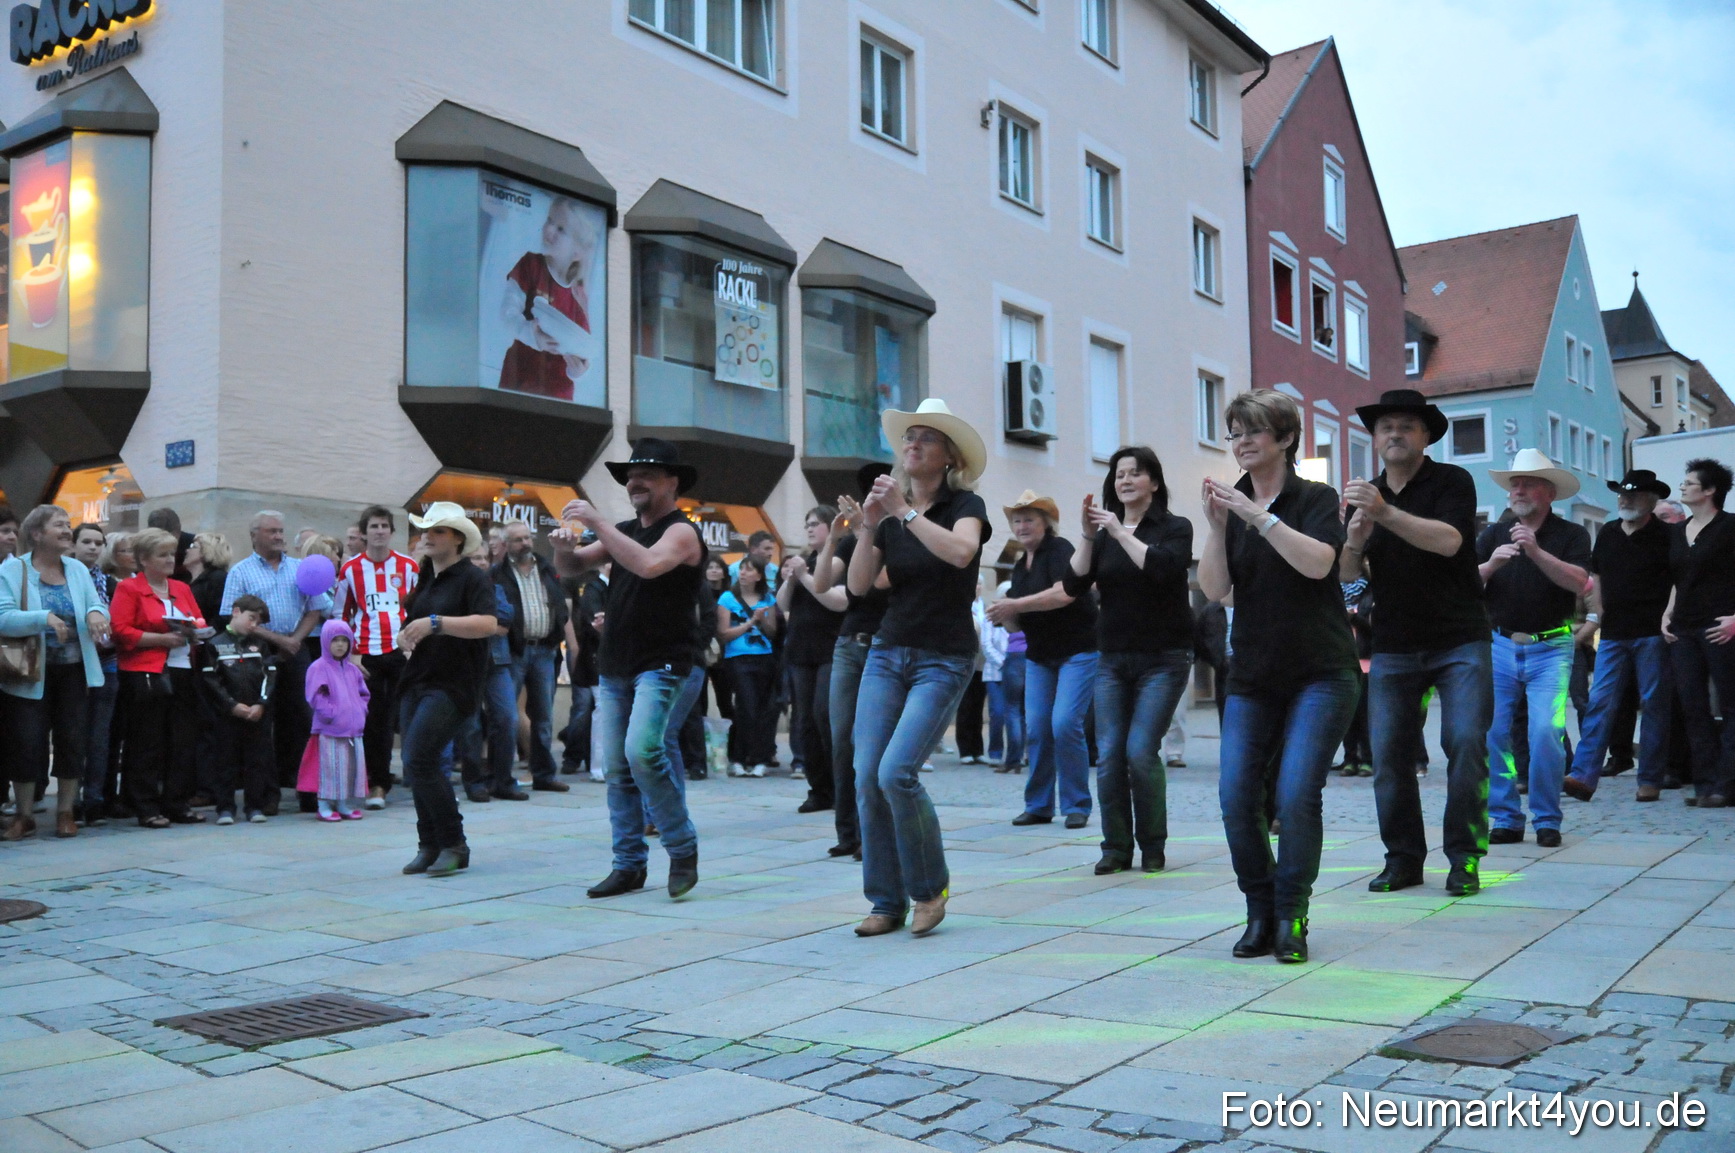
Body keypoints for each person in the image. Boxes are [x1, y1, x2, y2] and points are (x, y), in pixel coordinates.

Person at [1201, 389, 1358, 964]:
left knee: (1295, 794)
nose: (1242, 442)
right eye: (1234, 431)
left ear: (1285, 439)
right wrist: (1217, 527)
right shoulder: (1231, 504)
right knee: (1236, 795)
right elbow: (1216, 591)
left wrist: (1255, 517)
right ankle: (1260, 910)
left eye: (1254, 431)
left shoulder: (1316, 497)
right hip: (1254, 676)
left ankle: (1293, 913)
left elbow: (1320, 563)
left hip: (1321, 673)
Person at [847, 399, 991, 938]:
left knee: (895, 773)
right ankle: (885, 901)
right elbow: (860, 586)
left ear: (948, 456)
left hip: (943, 657)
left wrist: (904, 514)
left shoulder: (965, 505)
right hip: (888, 652)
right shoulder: (889, 518)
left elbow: (960, 554)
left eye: (926, 439)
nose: (913, 445)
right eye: (909, 438)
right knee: (866, 777)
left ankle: (930, 889)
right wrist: (868, 524)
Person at [1341, 390, 1493, 896]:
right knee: (1389, 757)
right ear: (1375, 438)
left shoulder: (1452, 481)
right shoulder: (1367, 496)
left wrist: (1383, 514)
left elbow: (1450, 541)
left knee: (1466, 743)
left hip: (1459, 639)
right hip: (1394, 645)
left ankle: (1464, 858)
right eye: (1386, 427)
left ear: (1427, 435)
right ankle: (1403, 858)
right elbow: (1347, 577)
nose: (1394, 434)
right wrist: (1356, 539)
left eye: (1406, 426)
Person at [555, 438, 705, 900]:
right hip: (616, 662)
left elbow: (648, 565)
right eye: (631, 474)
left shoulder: (682, 532)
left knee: (643, 753)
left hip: (661, 663)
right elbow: (572, 567)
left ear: (672, 483)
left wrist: (596, 520)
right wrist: (562, 544)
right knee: (618, 769)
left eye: (648, 474)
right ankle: (629, 865)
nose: (635, 481)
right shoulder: (622, 529)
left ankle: (682, 849)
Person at [1064, 446, 1194, 874]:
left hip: (1164, 657)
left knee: (1140, 751)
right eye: (1119, 474)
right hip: (1113, 659)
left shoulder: (1175, 527)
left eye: (1135, 474)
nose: (1124, 481)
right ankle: (1115, 848)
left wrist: (1121, 532)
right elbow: (1074, 583)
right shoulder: (1103, 534)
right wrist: (1087, 534)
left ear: (1153, 482)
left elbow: (1163, 569)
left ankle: (1152, 845)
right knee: (1110, 755)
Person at [1477, 450, 1592, 847]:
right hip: (1500, 644)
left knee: (1546, 731)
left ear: (1549, 492)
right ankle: (1505, 817)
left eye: (1527, 483)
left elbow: (1581, 583)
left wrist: (1537, 552)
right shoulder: (1492, 534)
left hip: (1551, 647)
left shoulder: (1571, 535)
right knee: (1493, 732)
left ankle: (1546, 818)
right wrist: (1491, 565)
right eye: (1514, 484)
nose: (1517, 490)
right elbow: (1465, 586)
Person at [395, 502, 499, 875]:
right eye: (426, 530)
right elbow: (417, 622)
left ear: (457, 539)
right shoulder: (424, 575)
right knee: (414, 763)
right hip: (419, 678)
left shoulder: (473, 578)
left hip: (454, 683)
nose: (427, 536)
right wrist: (409, 635)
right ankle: (430, 844)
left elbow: (489, 623)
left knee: (420, 757)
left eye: (437, 531)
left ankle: (454, 843)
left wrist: (435, 623)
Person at [1563, 471, 1675, 803]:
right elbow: (1596, 574)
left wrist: (1670, 617)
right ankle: (1583, 776)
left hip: (1653, 633)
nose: (1624, 500)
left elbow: (1678, 579)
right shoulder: (1609, 532)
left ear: (1651, 500)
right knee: (1600, 702)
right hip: (1613, 634)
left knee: (1653, 705)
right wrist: (1598, 612)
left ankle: (1650, 778)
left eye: (1633, 495)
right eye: (1621, 494)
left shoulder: (1667, 535)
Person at [989, 492, 1099, 830]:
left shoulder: (1060, 549)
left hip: (1077, 651)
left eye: (1029, 520)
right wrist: (1001, 615)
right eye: (1017, 521)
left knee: (1065, 723)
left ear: (1045, 523)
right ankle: (1038, 805)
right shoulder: (1020, 565)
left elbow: (1062, 593)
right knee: (1037, 727)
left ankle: (1076, 804)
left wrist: (1015, 605)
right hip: (1039, 655)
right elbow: (1017, 623)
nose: (1022, 526)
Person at [0, 506, 111, 840]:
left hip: (73, 671)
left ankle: (65, 811)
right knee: (27, 743)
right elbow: (3, 616)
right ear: (37, 533)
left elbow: (96, 603)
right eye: (59, 525)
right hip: (29, 672)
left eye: (68, 525)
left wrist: (94, 613)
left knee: (72, 740)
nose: (67, 530)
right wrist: (43, 616)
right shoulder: (13, 569)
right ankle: (24, 815)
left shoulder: (76, 569)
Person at [221, 511, 332, 814]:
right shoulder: (241, 572)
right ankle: (266, 796)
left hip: (296, 651)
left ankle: (307, 790)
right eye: (272, 531)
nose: (279, 537)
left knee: (303, 720)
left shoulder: (299, 568)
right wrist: (277, 640)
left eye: (282, 531)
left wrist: (294, 639)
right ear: (254, 534)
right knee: (262, 725)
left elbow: (317, 607)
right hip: (257, 652)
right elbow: (231, 616)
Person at [811, 463, 895, 860]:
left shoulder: (899, 534)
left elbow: (873, 583)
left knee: (872, 743)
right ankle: (847, 832)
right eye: (867, 494)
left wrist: (868, 530)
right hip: (849, 645)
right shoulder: (855, 536)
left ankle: (870, 834)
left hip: (885, 646)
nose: (870, 501)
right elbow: (822, 583)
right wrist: (833, 539)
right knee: (841, 738)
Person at [112, 527, 207, 829]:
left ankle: (176, 802)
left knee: (182, 740)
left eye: (171, 554)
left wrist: (196, 630)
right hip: (145, 671)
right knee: (147, 740)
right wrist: (161, 639)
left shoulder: (182, 587)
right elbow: (121, 631)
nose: (170, 560)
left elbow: (199, 619)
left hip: (181, 669)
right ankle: (145, 805)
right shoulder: (129, 588)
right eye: (162, 555)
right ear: (143, 559)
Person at [335, 506, 418, 808]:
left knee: (412, 715)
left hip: (403, 652)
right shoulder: (351, 570)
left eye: (384, 526)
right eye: (374, 526)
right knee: (376, 722)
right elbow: (340, 615)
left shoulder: (409, 567)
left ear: (392, 532)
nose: (380, 531)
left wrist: (415, 645)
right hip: (367, 655)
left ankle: (422, 777)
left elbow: (419, 609)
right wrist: (352, 654)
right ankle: (378, 784)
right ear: (364, 532)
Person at [1664, 458, 1735, 807]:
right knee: (1692, 706)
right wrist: (1667, 612)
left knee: (1730, 704)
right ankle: (1706, 784)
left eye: (1690, 482)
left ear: (1709, 491)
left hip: (1722, 627)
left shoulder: (1731, 527)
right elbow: (1681, 578)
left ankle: (1727, 783)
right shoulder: (1678, 531)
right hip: (1685, 628)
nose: (1683, 486)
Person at [492, 521, 573, 794]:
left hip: (544, 651)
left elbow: (561, 604)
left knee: (543, 718)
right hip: (514, 651)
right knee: (504, 716)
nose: (525, 543)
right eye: (517, 540)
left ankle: (544, 775)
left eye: (527, 538)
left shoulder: (548, 569)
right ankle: (500, 778)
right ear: (506, 545)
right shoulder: (497, 574)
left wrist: (558, 632)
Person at [498, 195, 603, 401]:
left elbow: (583, 350)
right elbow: (506, 313)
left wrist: (578, 372)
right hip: (518, 378)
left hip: (557, 393)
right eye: (549, 220)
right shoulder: (531, 265)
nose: (549, 229)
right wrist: (530, 333)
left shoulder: (578, 295)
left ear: (577, 252)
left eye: (561, 229)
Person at [777, 507, 847, 812]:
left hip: (829, 649)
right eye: (806, 524)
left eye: (815, 524)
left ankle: (838, 785)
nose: (809, 529)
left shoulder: (838, 558)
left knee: (824, 716)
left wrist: (803, 574)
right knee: (803, 721)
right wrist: (791, 579)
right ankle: (818, 789)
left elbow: (830, 596)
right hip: (800, 651)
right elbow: (781, 604)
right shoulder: (806, 562)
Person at [200, 593, 278, 824]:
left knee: (257, 760)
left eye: (258, 622)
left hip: (256, 715)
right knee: (225, 760)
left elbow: (270, 676)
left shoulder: (261, 646)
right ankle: (225, 807)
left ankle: (255, 806)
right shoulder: (215, 644)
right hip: (227, 715)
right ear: (236, 612)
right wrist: (231, 705)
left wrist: (261, 703)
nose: (254, 625)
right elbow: (211, 681)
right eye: (251, 618)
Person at [718, 556, 780, 776]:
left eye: (749, 569)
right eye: (741, 569)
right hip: (737, 658)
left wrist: (762, 620)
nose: (743, 573)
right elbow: (724, 633)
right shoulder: (727, 598)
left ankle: (759, 758)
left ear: (759, 576)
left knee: (764, 708)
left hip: (764, 657)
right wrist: (751, 622)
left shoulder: (767, 598)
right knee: (746, 705)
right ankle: (738, 757)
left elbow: (773, 632)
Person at [307, 619, 370, 821]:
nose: (340, 645)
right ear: (325, 641)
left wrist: (361, 710)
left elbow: (363, 694)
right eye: (335, 640)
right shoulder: (319, 668)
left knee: (349, 769)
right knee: (330, 769)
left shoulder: (353, 670)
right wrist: (331, 714)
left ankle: (343, 803)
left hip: (353, 730)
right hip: (330, 730)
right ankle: (324, 805)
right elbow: (316, 696)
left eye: (345, 640)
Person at [185, 532, 233, 634]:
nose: (187, 550)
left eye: (193, 546)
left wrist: (204, 634)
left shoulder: (218, 578)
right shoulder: (188, 581)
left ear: (206, 551)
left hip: (208, 642)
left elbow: (222, 616)